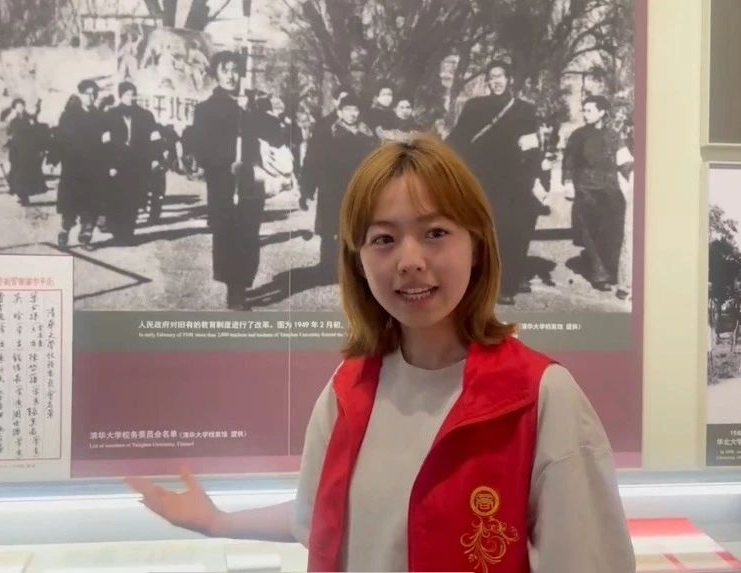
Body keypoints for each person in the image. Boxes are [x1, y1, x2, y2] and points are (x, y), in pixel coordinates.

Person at [126, 134, 636, 573]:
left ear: (477, 244)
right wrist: (217, 522)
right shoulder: (349, 390)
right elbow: (320, 516)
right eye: (384, 239)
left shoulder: (539, 398)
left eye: (435, 233)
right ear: (359, 260)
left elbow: (589, 560)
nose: (409, 261)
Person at [446, 61, 542, 305]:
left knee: (512, 229)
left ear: (509, 79)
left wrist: (533, 178)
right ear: (487, 81)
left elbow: (531, 148)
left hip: (512, 180)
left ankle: (507, 284)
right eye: (492, 77)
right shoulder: (475, 106)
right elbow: (458, 139)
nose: (496, 81)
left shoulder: (524, 110)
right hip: (481, 177)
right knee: (482, 230)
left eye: (500, 76)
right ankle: (483, 280)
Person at [186, 51, 265, 310]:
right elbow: (200, 147)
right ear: (216, 74)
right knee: (228, 234)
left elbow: (272, 135)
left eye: (234, 70)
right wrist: (225, 162)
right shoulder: (206, 109)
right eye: (225, 70)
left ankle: (243, 282)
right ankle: (235, 290)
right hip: (223, 182)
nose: (231, 76)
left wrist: (250, 111)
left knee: (249, 233)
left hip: (250, 180)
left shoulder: (251, 105)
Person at [302, 93, 376, 282]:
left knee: (355, 229)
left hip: (358, 189)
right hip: (332, 189)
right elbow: (312, 161)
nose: (353, 114)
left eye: (356, 109)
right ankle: (327, 268)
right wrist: (307, 189)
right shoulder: (328, 133)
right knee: (330, 231)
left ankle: (353, 269)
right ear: (340, 111)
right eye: (348, 109)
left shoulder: (367, 134)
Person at [562, 95, 627, 293]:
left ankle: (608, 269)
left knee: (611, 232)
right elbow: (569, 161)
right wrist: (568, 182)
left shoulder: (614, 135)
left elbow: (624, 160)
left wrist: (633, 174)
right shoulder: (578, 135)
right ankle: (600, 275)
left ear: (601, 112)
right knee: (590, 232)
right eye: (584, 110)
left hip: (610, 190)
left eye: (589, 110)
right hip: (586, 190)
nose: (585, 114)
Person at [104, 81, 159, 243]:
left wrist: (155, 158)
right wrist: (109, 164)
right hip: (117, 163)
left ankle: (128, 232)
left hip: (138, 163)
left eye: (133, 94)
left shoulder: (145, 115)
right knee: (117, 197)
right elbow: (105, 142)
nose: (131, 98)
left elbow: (154, 138)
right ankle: (116, 228)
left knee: (134, 197)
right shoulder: (110, 115)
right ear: (121, 96)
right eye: (128, 94)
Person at [55, 81, 105, 248]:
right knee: (70, 202)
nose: (91, 97)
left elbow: (103, 139)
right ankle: (64, 231)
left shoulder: (98, 116)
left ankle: (86, 234)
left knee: (90, 202)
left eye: (94, 94)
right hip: (73, 166)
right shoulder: (69, 115)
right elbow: (61, 139)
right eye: (87, 93)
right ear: (80, 95)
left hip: (93, 166)